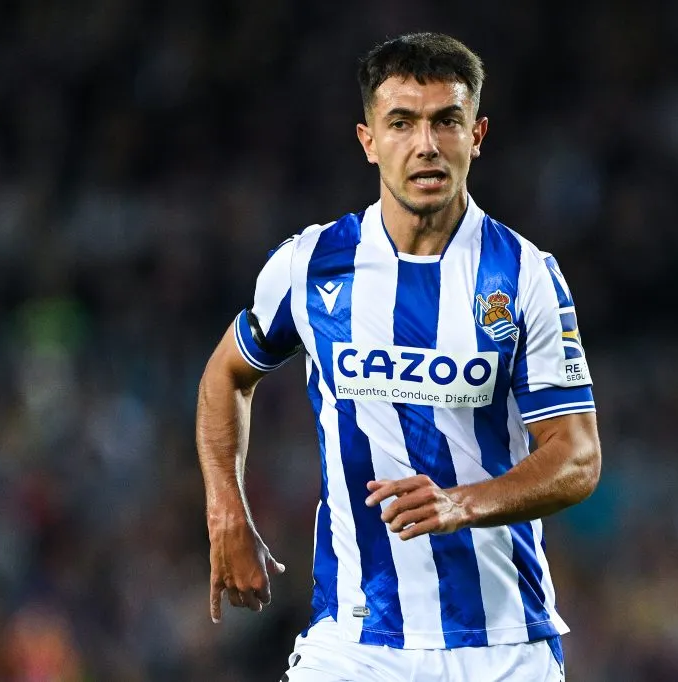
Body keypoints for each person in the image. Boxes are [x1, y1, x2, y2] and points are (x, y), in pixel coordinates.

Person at [196, 32, 602, 682]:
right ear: (368, 140)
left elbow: (578, 456)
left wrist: (463, 503)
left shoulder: (524, 275)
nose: (426, 144)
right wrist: (226, 511)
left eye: (447, 121)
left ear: (477, 134)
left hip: (501, 647)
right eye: (402, 123)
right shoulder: (312, 265)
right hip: (354, 642)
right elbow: (226, 375)